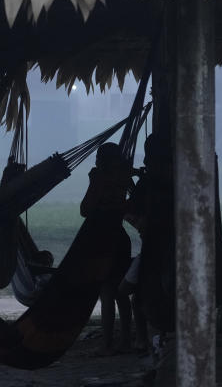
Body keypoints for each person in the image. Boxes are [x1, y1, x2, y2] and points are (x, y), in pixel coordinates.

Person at [80, 142, 134, 355]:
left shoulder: (101, 178)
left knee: (107, 292)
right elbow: (133, 201)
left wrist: (94, 180)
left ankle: (107, 344)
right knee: (121, 293)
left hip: (104, 239)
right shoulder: (123, 179)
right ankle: (126, 341)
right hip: (119, 238)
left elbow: (86, 209)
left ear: (102, 160)